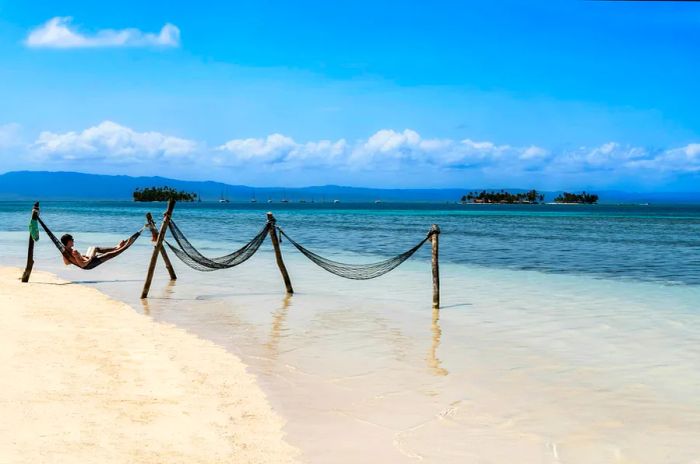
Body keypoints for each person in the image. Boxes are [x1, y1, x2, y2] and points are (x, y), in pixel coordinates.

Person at [60, 234, 128, 268]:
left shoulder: (66, 251)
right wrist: (89, 259)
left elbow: (67, 263)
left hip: (86, 259)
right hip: (88, 264)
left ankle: (116, 248)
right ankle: (124, 247)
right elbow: (82, 265)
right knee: (108, 255)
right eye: (72, 239)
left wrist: (80, 257)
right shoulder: (73, 252)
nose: (73, 241)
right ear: (68, 241)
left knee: (93, 248)